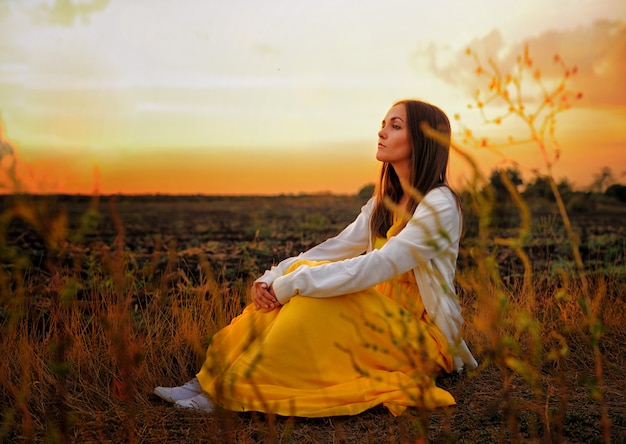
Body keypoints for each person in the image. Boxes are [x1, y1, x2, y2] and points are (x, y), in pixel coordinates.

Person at [154, 99, 478, 417]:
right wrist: (275, 276)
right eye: (383, 125)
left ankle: (230, 392)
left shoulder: (440, 204)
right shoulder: (385, 200)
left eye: (395, 126)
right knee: (295, 291)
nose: (381, 133)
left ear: (424, 140)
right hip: (381, 319)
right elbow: (334, 248)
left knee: (308, 297)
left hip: (419, 338)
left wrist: (297, 283)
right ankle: (206, 380)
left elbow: (378, 265)